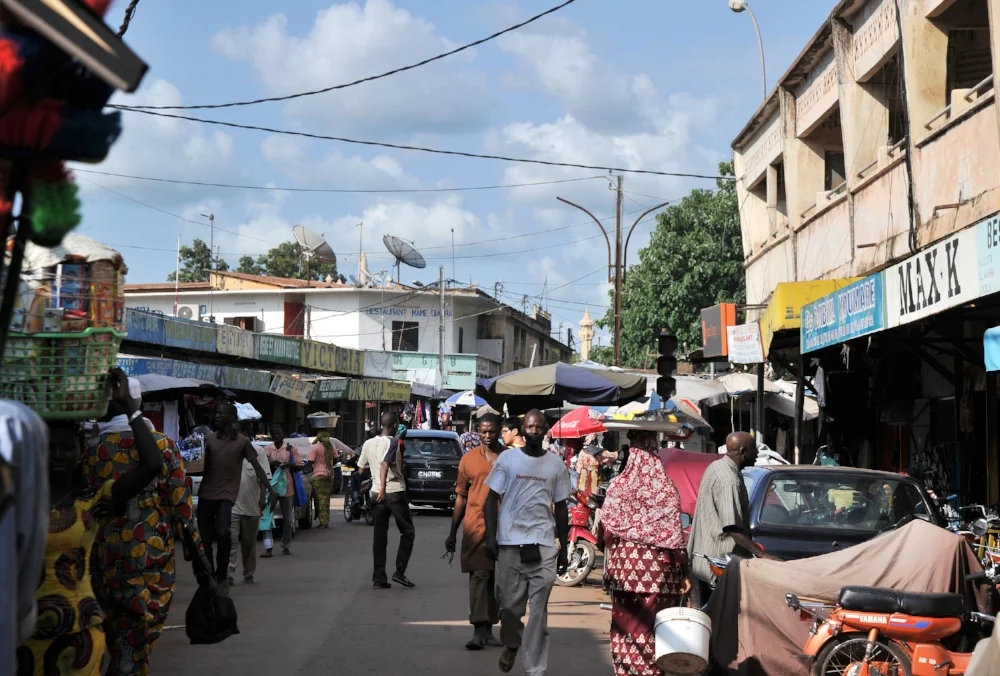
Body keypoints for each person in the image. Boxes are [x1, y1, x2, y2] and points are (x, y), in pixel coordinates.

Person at [17, 369, 164, 676]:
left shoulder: (93, 503)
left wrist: (131, 410)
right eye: (49, 446)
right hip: (22, 634)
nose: (57, 455)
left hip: (81, 631)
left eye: (66, 447)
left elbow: (152, 464)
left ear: (81, 454)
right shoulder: (17, 502)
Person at [83, 376, 201, 676]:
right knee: (132, 652)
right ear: (137, 404)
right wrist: (202, 563)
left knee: (118, 644)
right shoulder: (162, 446)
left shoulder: (90, 450)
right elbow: (182, 509)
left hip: (101, 565)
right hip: (149, 566)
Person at [485, 410, 570, 675]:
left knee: (539, 612)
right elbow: (491, 499)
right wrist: (491, 536)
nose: (534, 431)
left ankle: (535, 668)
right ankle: (511, 644)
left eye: (539, 427)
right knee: (509, 608)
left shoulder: (556, 465)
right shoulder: (508, 459)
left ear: (546, 430)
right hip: (510, 543)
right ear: (523, 428)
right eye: (530, 427)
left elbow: (561, 507)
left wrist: (564, 547)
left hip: (543, 544)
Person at [600, 430, 692, 676]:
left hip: (623, 574)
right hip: (659, 577)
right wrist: (685, 571)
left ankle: (626, 670)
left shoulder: (618, 487)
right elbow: (675, 538)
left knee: (625, 626)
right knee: (653, 630)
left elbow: (607, 534)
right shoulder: (665, 489)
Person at [687, 432, 779, 594]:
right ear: (743, 452)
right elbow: (731, 528)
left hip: (703, 559)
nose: (757, 453)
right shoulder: (728, 480)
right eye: (754, 449)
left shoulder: (717, 466)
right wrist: (761, 555)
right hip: (717, 564)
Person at [446, 413, 504, 651]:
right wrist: (452, 532)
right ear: (477, 431)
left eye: (492, 431)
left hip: (505, 528)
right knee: (479, 576)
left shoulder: (510, 458)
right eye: (483, 431)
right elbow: (461, 497)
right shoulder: (468, 460)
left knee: (497, 580)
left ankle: (489, 630)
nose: (487, 436)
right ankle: (477, 630)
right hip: (475, 527)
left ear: (500, 430)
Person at [197, 402, 271, 588]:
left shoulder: (242, 442)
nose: (216, 416)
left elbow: (257, 467)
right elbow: (199, 467)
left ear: (231, 417)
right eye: (216, 413)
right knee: (205, 539)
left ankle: (222, 574)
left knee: (223, 533)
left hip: (226, 496)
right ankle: (209, 574)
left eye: (221, 413)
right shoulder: (208, 440)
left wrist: (269, 487)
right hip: (206, 494)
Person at [358, 412, 415, 589]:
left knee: (380, 535)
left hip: (375, 493)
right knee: (408, 531)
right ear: (395, 425)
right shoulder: (393, 442)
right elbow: (384, 465)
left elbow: (361, 469)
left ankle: (378, 577)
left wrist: (376, 480)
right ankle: (399, 571)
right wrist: (383, 487)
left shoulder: (368, 443)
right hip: (393, 491)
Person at [227, 432, 271, 585]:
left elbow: (263, 475)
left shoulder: (258, 452)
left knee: (249, 543)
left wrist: (263, 498)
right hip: (232, 506)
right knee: (231, 541)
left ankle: (248, 573)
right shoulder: (230, 452)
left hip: (252, 505)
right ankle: (229, 574)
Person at [264, 438, 305, 556]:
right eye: (273, 433)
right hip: (270, 487)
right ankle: (268, 547)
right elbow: (261, 465)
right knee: (266, 517)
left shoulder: (290, 449)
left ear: (282, 435)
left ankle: (286, 545)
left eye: (278, 433)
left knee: (287, 519)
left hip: (288, 487)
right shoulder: (267, 449)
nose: (276, 434)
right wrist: (272, 464)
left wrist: (289, 464)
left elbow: (300, 465)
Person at [307, 429, 339, 529]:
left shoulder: (315, 447)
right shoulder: (332, 446)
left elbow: (310, 462)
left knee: (319, 499)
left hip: (318, 475)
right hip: (329, 476)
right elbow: (336, 458)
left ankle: (323, 522)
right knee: (326, 499)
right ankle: (325, 520)